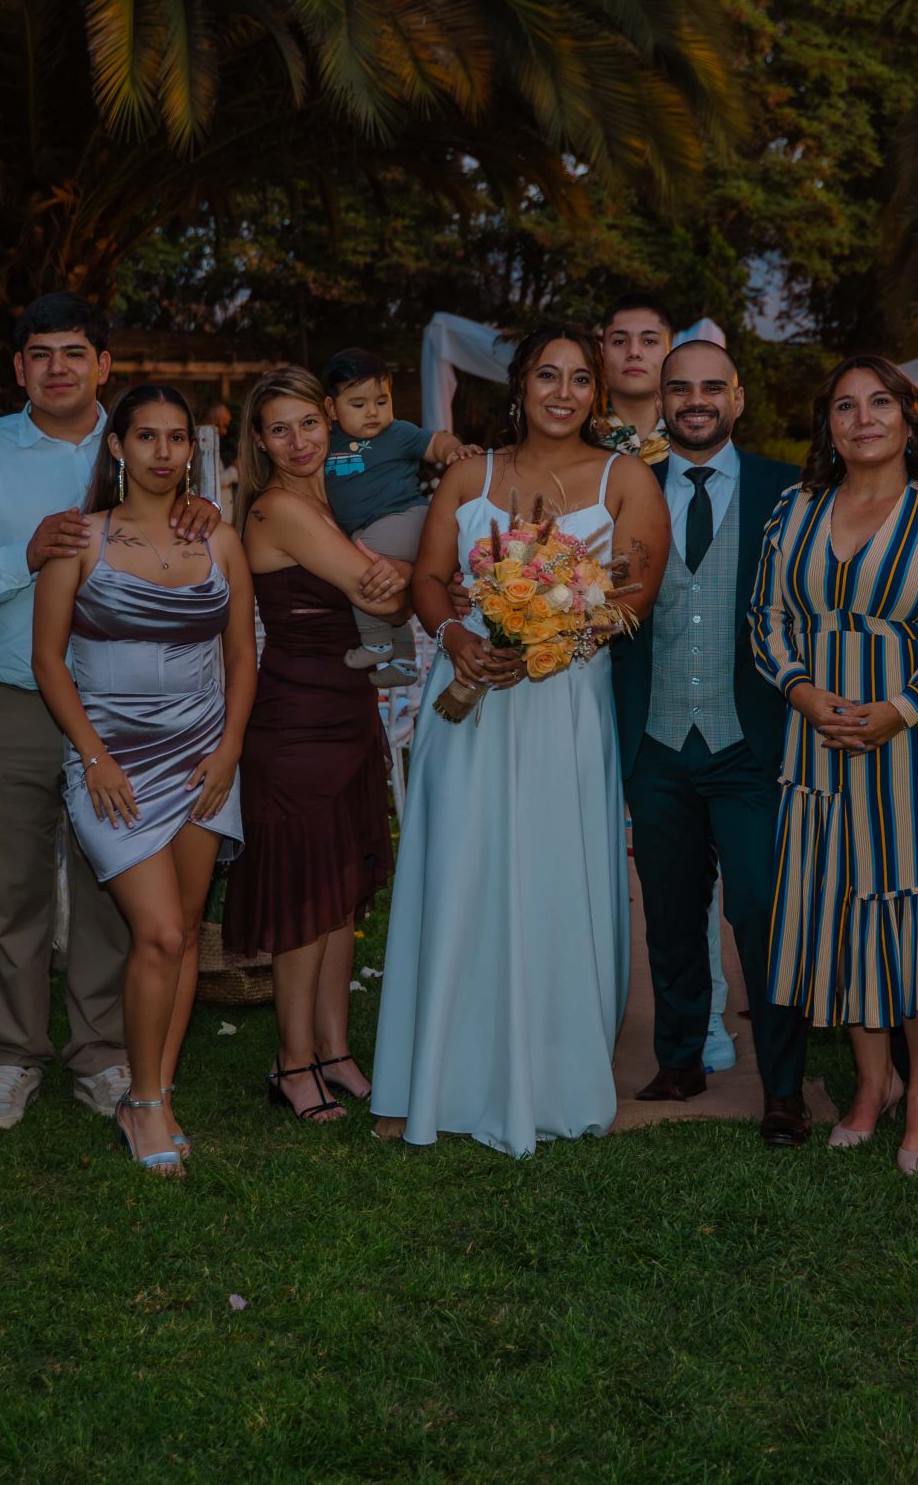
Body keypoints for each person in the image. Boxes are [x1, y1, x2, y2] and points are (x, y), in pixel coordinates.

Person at [0, 292, 221, 1134]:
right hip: (12, 695)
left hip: (129, 720)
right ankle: (14, 1053)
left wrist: (200, 509)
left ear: (103, 364)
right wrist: (21, 556)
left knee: (110, 886)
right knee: (11, 881)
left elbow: (194, 549)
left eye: (74, 352)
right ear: (18, 368)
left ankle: (100, 1051)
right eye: (41, 354)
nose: (58, 367)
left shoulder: (143, 442)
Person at [372, 325, 670, 1156]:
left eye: (579, 379)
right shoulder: (469, 475)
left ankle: (553, 1073)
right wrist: (457, 636)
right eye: (547, 375)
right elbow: (430, 578)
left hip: (562, 705)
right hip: (469, 699)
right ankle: (440, 1074)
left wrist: (555, 635)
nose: (563, 393)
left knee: (550, 871)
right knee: (458, 870)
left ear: (597, 393)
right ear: (519, 386)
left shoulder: (625, 477)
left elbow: (636, 594)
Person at [755, 355, 918, 1177]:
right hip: (817, 740)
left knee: (915, 913)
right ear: (828, 426)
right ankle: (872, 1082)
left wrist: (900, 708)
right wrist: (802, 692)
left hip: (914, 744)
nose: (863, 418)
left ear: (908, 417)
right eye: (845, 406)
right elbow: (768, 616)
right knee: (840, 907)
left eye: (880, 402)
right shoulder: (795, 508)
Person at [32, 383, 254, 1178]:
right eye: (147, 436)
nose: (164, 451)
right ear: (117, 447)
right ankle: (144, 1099)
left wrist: (229, 751)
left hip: (202, 758)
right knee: (157, 931)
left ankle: (154, 1090)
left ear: (192, 450)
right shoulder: (79, 539)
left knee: (186, 932)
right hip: (115, 765)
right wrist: (93, 755)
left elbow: (242, 656)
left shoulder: (218, 540)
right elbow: (47, 660)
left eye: (177, 437)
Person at [607, 340, 812, 1145]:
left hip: (749, 741)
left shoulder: (787, 488)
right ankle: (681, 1057)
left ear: (738, 396)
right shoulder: (629, 486)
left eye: (711, 387)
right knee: (669, 912)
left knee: (761, 911)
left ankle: (784, 1088)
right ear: (661, 400)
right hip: (656, 737)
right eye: (680, 388)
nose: (695, 401)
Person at [230, 365, 413, 1123]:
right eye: (280, 429)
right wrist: (414, 571)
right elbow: (382, 593)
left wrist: (401, 575)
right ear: (260, 440)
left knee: (340, 897)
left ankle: (335, 1051)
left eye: (309, 423)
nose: (299, 441)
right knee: (305, 900)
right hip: (296, 724)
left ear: (330, 422)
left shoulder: (335, 501)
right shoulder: (277, 508)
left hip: (348, 714)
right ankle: (292, 1060)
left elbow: (387, 594)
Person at [319, 347, 474, 686]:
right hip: (373, 528)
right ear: (331, 408)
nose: (372, 412)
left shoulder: (398, 434)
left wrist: (453, 450)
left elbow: (436, 441)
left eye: (381, 401)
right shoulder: (326, 442)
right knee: (380, 576)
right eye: (358, 404)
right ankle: (403, 660)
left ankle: (375, 642)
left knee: (357, 565)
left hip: (407, 518)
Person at [598, 293, 675, 461]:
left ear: (670, 352)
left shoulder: (696, 437)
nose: (633, 352)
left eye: (649, 341)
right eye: (619, 341)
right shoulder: (576, 438)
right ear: (602, 353)